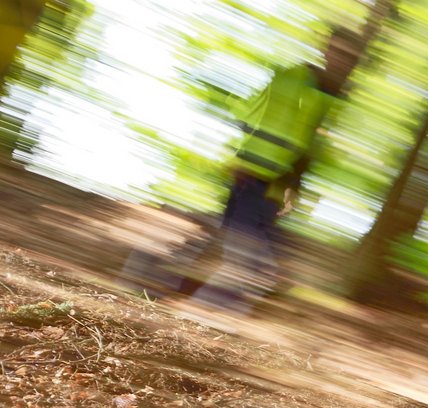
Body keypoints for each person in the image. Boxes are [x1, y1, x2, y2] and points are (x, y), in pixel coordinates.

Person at [129, 26, 359, 315]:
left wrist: (292, 188)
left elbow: (308, 148)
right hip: (256, 173)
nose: (340, 59)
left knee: (238, 244)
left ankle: (168, 289)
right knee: (244, 249)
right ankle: (177, 294)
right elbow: (260, 119)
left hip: (274, 182)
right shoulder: (294, 79)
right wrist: (245, 160)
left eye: (347, 55)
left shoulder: (329, 93)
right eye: (336, 50)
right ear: (325, 48)